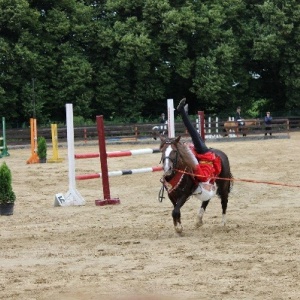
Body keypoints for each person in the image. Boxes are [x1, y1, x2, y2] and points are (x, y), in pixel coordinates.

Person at [177, 98, 221, 201]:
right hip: (206, 152)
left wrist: (188, 150)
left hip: (202, 152)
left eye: (209, 189)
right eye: (211, 189)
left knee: (193, 131)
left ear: (204, 188)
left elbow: (196, 166)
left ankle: (182, 111)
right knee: (194, 131)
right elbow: (217, 167)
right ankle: (184, 113)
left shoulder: (203, 178)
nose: (211, 188)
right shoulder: (210, 179)